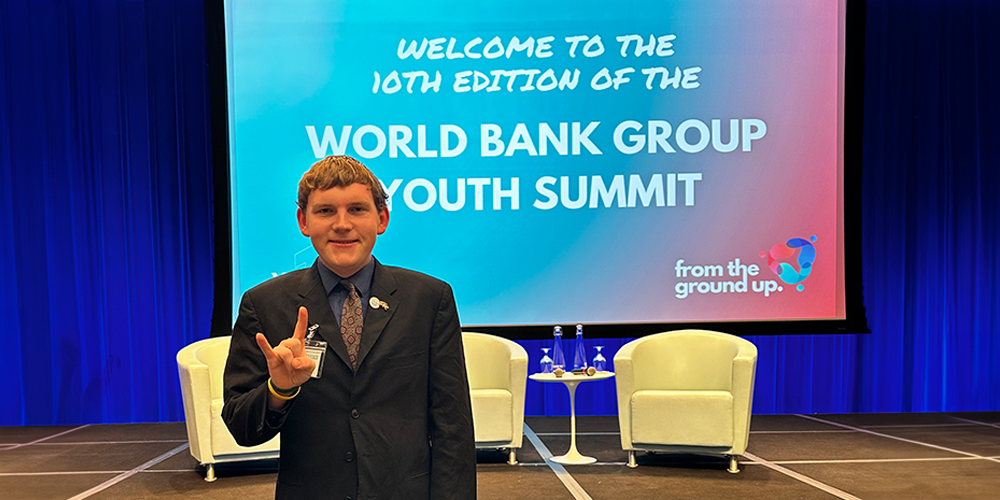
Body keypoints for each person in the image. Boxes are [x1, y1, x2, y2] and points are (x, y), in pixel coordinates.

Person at [222, 155, 476, 500]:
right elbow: (240, 426)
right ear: (303, 220)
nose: (342, 224)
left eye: (357, 209)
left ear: (382, 219)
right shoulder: (264, 304)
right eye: (325, 211)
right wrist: (279, 390)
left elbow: (453, 427)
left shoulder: (430, 299)